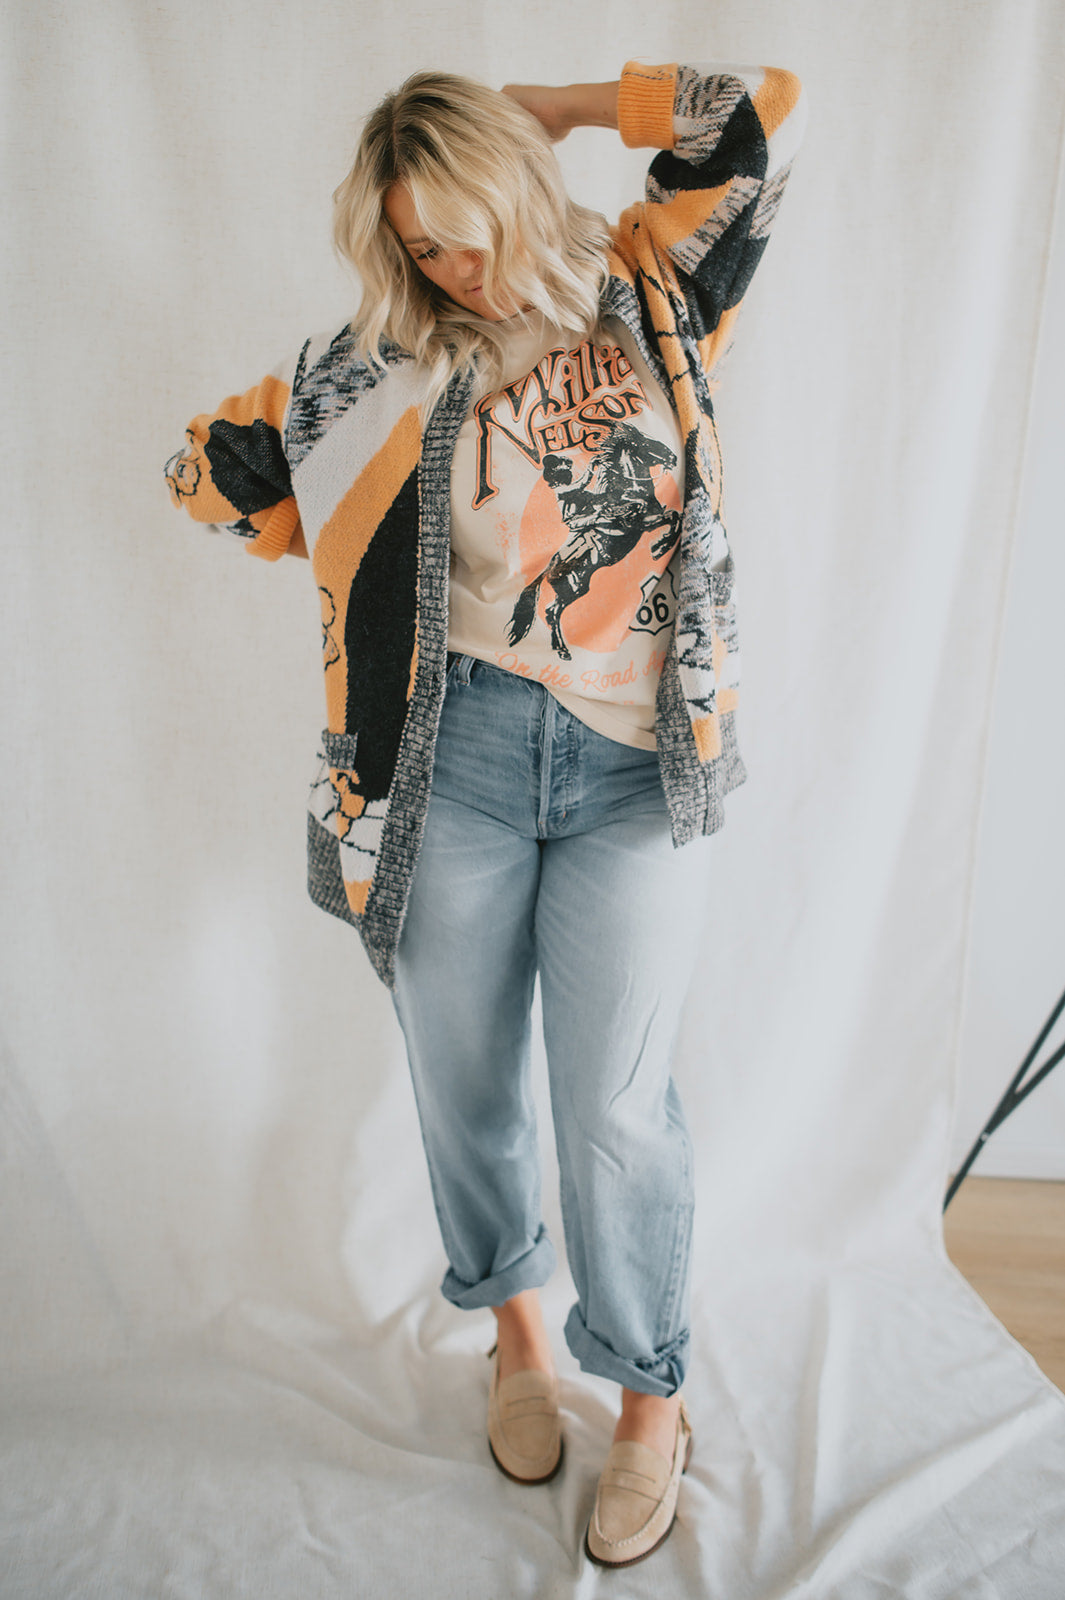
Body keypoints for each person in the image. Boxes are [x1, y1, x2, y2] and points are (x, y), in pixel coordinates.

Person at [165, 56, 805, 1568]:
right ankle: (515, 1331)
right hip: (445, 766)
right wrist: (292, 487)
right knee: (463, 1081)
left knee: (615, 1107)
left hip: (631, 769)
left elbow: (743, 113)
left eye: (464, 234)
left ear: (521, 190)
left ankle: (649, 1395)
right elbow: (211, 477)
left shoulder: (653, 292)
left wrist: (555, 108)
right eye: (419, 250)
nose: (453, 271)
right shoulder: (380, 363)